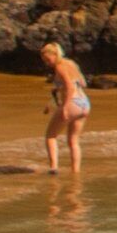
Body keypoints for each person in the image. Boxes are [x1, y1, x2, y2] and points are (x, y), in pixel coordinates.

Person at [39, 42, 91, 176]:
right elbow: (83, 83)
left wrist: (65, 107)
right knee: (73, 140)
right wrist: (52, 101)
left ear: (55, 54)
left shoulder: (60, 67)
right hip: (84, 103)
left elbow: (69, 86)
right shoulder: (71, 64)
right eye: (44, 60)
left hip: (72, 103)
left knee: (50, 136)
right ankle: (75, 172)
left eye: (48, 59)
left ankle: (53, 168)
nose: (46, 62)